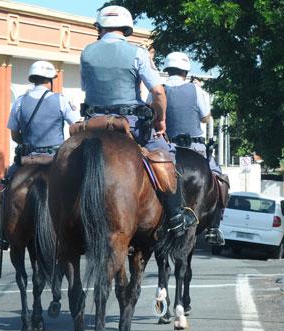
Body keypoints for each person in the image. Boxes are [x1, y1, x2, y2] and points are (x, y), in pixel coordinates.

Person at [80, 5, 196, 237]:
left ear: (100, 27)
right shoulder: (137, 53)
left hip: (92, 124)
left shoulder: (86, 52)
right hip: (130, 124)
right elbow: (158, 92)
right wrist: (160, 121)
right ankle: (175, 215)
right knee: (163, 154)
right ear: (127, 28)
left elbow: (86, 88)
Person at [0, 60, 79, 249]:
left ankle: (3, 231)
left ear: (33, 80)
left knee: (6, 187)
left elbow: (14, 135)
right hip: (55, 159)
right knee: (79, 186)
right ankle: (83, 227)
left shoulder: (20, 102)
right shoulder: (60, 100)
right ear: (50, 80)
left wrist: (28, 143)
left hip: (27, 159)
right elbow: (75, 126)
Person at [150, 51, 224, 245]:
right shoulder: (195, 90)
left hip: (166, 146)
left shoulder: (159, 89)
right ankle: (214, 228)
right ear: (186, 70)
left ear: (167, 68)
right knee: (220, 178)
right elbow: (205, 117)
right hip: (194, 147)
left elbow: (153, 114)